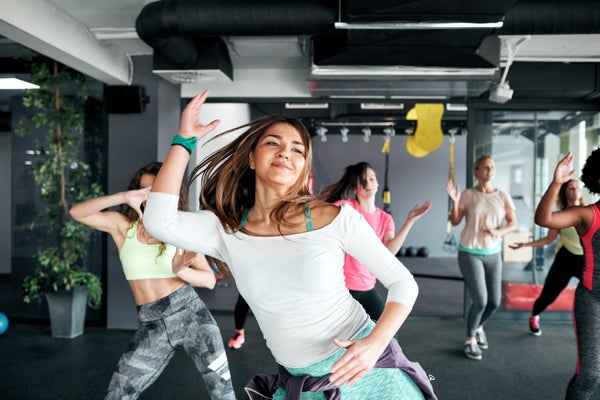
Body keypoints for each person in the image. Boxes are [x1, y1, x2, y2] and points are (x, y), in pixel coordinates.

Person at [144, 90, 437, 399]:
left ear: (302, 167)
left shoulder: (334, 218)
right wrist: (184, 140)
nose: (286, 152)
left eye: (297, 149)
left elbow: (404, 283)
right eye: (273, 143)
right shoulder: (225, 229)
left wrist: (375, 344)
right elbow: (159, 221)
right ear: (252, 159)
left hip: (367, 369)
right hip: (304, 382)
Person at [69, 161, 236, 400]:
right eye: (144, 192)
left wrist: (179, 270)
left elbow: (208, 280)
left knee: (223, 394)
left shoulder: (180, 230)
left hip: (192, 316)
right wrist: (124, 196)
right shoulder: (122, 226)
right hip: (152, 324)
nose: (150, 199)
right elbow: (77, 212)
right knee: (118, 395)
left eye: (156, 192)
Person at [318, 161, 431, 321]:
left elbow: (388, 253)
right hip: (341, 289)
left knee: (388, 333)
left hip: (366, 289)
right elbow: (322, 216)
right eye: (363, 181)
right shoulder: (346, 207)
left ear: (378, 183)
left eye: (371, 179)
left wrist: (409, 222)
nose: (368, 183)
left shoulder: (385, 219)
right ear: (355, 188)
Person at [534, 149, 600, 400]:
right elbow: (544, 219)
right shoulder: (587, 214)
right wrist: (556, 183)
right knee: (590, 376)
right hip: (593, 300)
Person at [446, 154, 517, 361]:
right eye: (485, 167)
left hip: (493, 253)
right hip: (470, 252)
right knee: (481, 300)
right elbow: (456, 221)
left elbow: (512, 224)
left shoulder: (503, 196)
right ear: (476, 171)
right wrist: (455, 201)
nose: (490, 170)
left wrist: (498, 232)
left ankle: (478, 327)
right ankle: (470, 339)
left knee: (494, 302)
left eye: (492, 167)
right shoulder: (468, 195)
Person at [509, 179, 585, 336]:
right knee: (549, 295)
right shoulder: (560, 216)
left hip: (585, 260)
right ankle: (534, 315)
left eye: (577, 187)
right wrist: (525, 245)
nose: (575, 190)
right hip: (565, 259)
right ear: (565, 192)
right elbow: (549, 239)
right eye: (571, 188)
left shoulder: (589, 212)